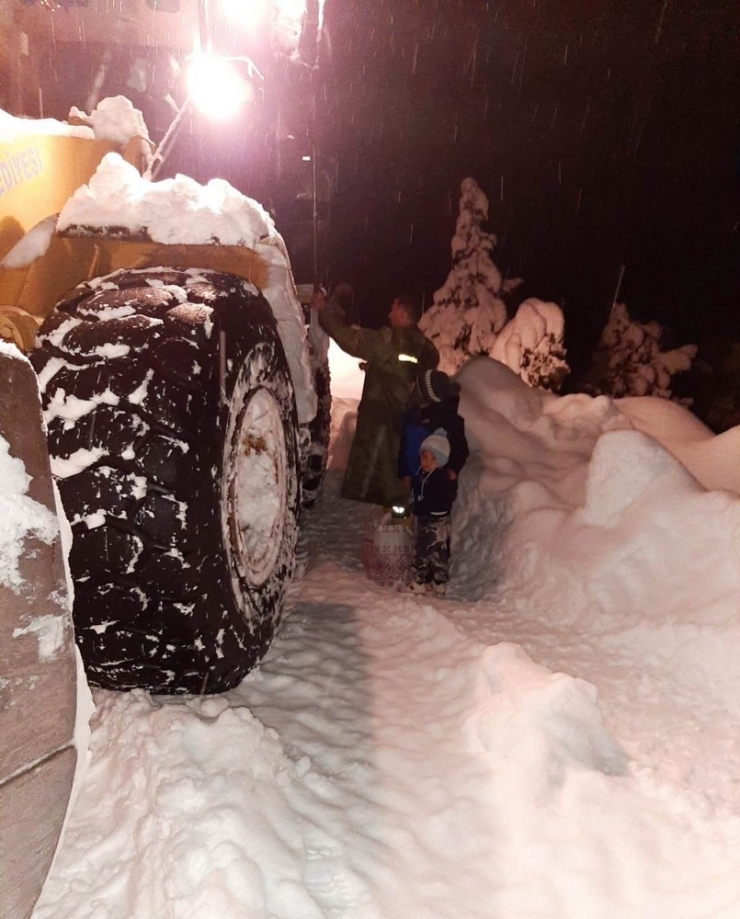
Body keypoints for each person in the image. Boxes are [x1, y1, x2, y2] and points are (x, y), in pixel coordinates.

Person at [311, 284, 439, 507]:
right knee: (392, 459)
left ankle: (362, 505)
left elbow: (347, 338)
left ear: (402, 312)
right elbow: (403, 367)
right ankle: (392, 499)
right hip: (402, 415)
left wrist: (323, 310)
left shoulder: (387, 341)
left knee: (369, 467)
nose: (389, 314)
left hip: (377, 416)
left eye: (393, 309)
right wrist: (377, 367)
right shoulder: (424, 347)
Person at [398, 369, 469, 505]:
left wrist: (451, 471)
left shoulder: (447, 420)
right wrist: (405, 474)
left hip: (436, 483)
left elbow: (460, 448)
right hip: (414, 479)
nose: (413, 389)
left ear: (426, 396)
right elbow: (404, 447)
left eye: (418, 388)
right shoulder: (414, 414)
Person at [406, 429, 456, 595]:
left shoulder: (438, 479)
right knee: (438, 550)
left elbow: (432, 500)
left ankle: (419, 581)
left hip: (434, 519)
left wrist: (418, 508)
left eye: (432, 458)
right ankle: (438, 581)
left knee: (424, 549)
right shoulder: (423, 474)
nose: (426, 462)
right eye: (424, 457)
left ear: (440, 461)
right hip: (434, 518)